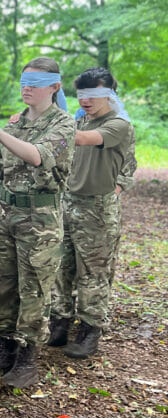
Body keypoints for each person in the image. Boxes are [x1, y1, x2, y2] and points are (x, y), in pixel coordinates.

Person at [0, 57, 76, 388]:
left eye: (36, 82)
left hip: (40, 218)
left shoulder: (63, 124)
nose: (27, 87)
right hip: (4, 213)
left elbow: (37, 156)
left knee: (34, 288)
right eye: (24, 81)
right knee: (3, 286)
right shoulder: (15, 123)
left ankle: (28, 358)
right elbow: (0, 169)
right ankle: (6, 348)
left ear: (55, 86)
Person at [49, 67, 135, 358]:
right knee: (62, 267)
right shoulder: (79, 119)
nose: (85, 100)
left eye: (93, 94)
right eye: (81, 95)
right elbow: (60, 147)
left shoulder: (119, 124)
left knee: (94, 273)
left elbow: (83, 140)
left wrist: (118, 188)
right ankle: (60, 321)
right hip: (68, 203)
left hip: (98, 208)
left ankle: (90, 329)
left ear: (109, 94)